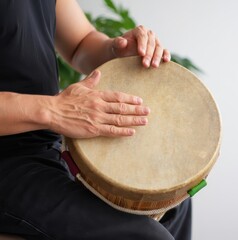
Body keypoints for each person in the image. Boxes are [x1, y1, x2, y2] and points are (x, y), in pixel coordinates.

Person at [0, 1, 191, 239]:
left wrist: (116, 50)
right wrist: (53, 109)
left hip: (46, 146)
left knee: (170, 199)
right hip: (8, 160)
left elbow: (80, 43)